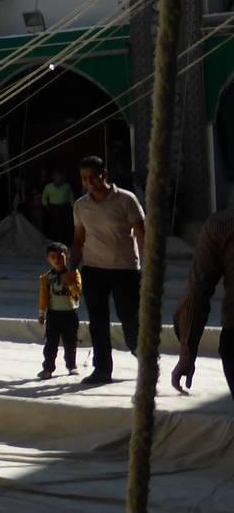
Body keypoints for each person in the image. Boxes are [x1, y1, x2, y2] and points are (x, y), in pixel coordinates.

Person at [71, 155, 145, 385]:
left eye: (94, 176)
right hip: (93, 269)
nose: (90, 182)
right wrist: (71, 269)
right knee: (97, 321)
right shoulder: (81, 206)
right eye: (85, 178)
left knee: (130, 318)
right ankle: (102, 369)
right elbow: (78, 240)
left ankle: (144, 358)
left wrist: (148, 266)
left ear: (105, 175)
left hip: (124, 268)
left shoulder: (126, 200)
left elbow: (142, 234)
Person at [171, 207, 234, 397]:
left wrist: (187, 352)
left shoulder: (222, 225)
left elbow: (197, 292)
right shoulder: (222, 226)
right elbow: (196, 294)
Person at [38, 242, 83, 379]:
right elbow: (44, 296)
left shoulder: (74, 274)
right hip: (53, 314)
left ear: (67, 258)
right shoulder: (47, 278)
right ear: (48, 259)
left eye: (60, 257)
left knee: (70, 342)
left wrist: (69, 283)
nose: (57, 260)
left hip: (70, 314)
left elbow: (78, 291)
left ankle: (71, 365)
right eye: (53, 257)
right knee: (51, 343)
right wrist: (42, 313)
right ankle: (48, 368)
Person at [41, 169, 75, 242]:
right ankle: (55, 240)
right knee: (55, 225)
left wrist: (73, 206)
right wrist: (46, 205)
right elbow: (44, 197)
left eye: (60, 177)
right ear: (53, 178)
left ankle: (66, 241)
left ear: (62, 178)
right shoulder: (48, 187)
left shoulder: (67, 186)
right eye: (56, 177)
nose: (58, 178)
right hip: (54, 208)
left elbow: (71, 197)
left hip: (65, 207)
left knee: (65, 225)